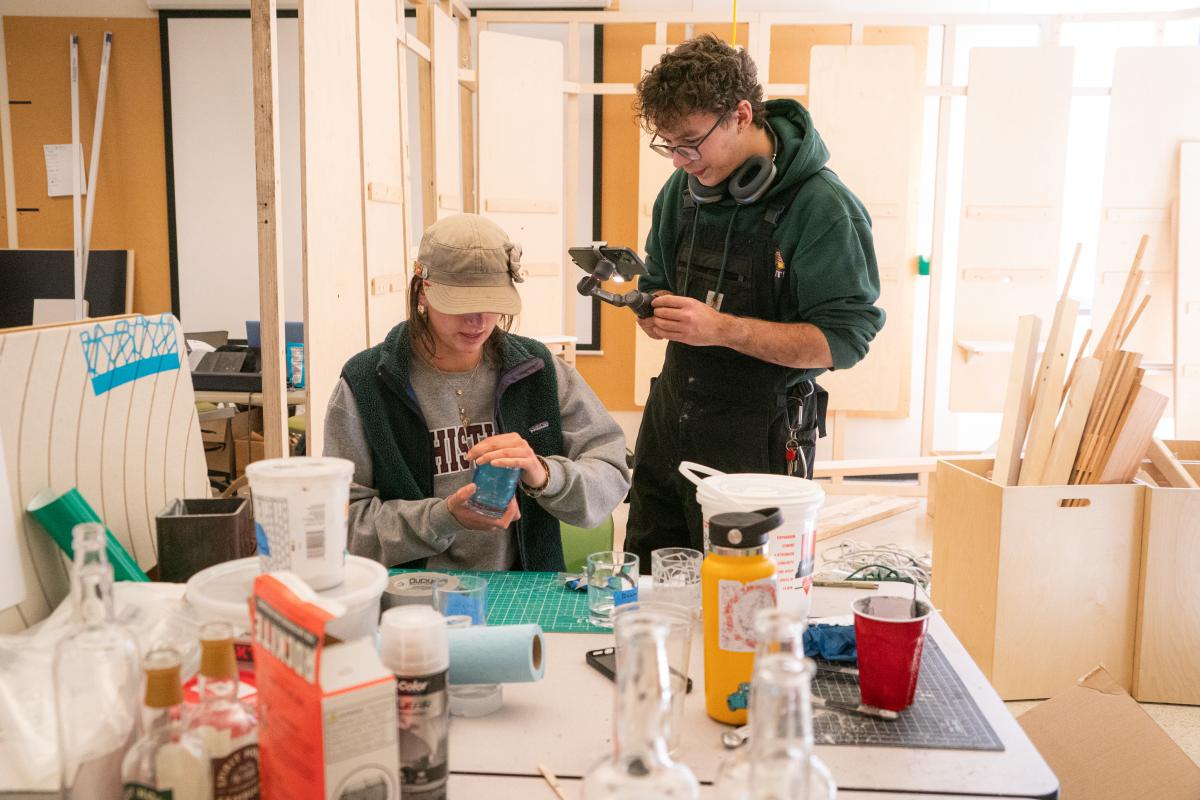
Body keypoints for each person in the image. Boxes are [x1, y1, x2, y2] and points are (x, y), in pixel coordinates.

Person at [625, 35, 885, 564]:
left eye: (690, 143)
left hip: (761, 442)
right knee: (653, 583)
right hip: (670, 422)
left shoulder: (823, 209)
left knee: (748, 598)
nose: (679, 162)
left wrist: (723, 329)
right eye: (668, 145)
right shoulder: (683, 190)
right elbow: (655, 277)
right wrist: (654, 310)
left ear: (741, 115)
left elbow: (845, 341)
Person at [325, 213, 631, 571]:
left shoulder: (538, 370)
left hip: (524, 593)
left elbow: (611, 471)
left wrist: (544, 475)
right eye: (461, 304)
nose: (479, 320)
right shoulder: (366, 386)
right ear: (423, 290)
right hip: (410, 603)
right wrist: (442, 517)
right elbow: (342, 526)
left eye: (492, 302)